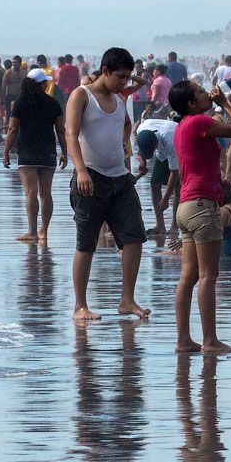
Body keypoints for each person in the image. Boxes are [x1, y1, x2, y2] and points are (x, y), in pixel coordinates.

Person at [65, 47, 150, 321]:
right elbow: (71, 133)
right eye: (121, 77)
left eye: (128, 78)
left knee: (135, 236)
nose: (125, 83)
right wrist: (80, 170)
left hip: (120, 178)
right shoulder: (82, 95)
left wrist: (125, 148)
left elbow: (126, 124)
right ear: (105, 71)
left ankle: (127, 299)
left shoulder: (119, 98)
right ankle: (80, 305)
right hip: (90, 177)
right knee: (86, 243)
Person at [168, 78, 231, 353]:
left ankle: (182, 339)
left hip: (186, 205)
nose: (207, 94)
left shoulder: (182, 127)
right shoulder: (198, 123)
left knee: (188, 276)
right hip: (203, 204)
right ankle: (210, 340)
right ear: (191, 103)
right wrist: (226, 103)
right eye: (201, 93)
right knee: (208, 276)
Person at [2, 72, 68, 242]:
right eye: (44, 82)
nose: (46, 85)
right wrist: (65, 152)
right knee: (46, 193)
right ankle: (44, 231)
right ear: (40, 85)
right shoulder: (53, 103)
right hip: (48, 151)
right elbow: (61, 130)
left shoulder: (20, 103)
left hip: (27, 152)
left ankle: (32, 231)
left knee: (31, 193)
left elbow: (12, 129)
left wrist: (6, 151)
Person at [135, 117, 179, 236]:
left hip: (179, 145)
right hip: (161, 153)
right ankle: (160, 225)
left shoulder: (170, 140)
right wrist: (143, 161)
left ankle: (175, 225)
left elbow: (174, 173)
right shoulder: (141, 130)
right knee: (154, 184)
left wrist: (165, 199)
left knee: (177, 188)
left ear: (156, 145)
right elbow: (140, 144)